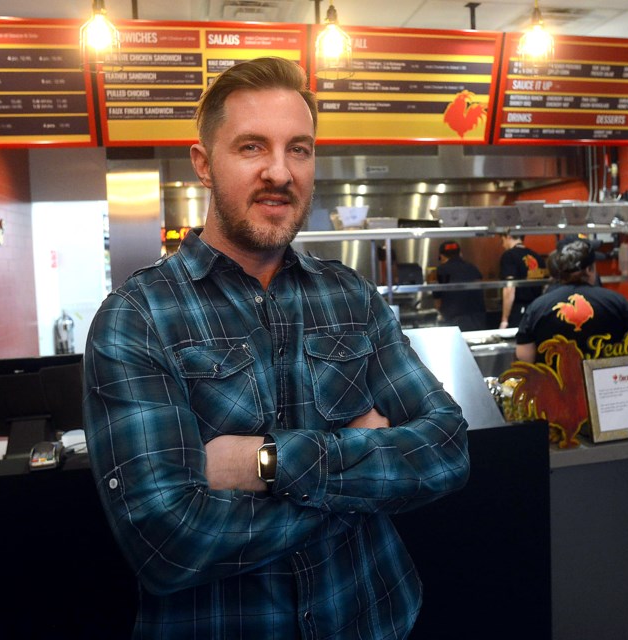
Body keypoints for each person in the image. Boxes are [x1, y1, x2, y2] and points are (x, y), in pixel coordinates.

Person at [83, 57, 471, 639]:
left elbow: (446, 448)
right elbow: (170, 542)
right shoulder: (136, 320)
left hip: (375, 618)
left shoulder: (353, 298)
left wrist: (263, 462)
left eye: (299, 149)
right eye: (251, 147)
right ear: (203, 165)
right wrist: (361, 471)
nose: (280, 172)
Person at [515, 239, 628, 363]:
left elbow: (524, 355)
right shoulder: (617, 302)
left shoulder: (538, 306)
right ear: (589, 270)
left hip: (556, 386)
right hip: (605, 386)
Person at [433, 240, 487, 332]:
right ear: (460, 254)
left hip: (454, 319)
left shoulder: (442, 270)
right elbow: (481, 289)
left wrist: (440, 312)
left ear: (442, 256)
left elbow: (438, 296)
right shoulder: (472, 267)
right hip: (477, 319)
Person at [498, 233, 544, 329]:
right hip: (538, 310)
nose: (503, 245)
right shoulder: (537, 257)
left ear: (508, 237)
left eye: (502, 240)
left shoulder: (509, 256)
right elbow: (545, 287)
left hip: (519, 311)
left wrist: (504, 320)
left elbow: (510, 288)